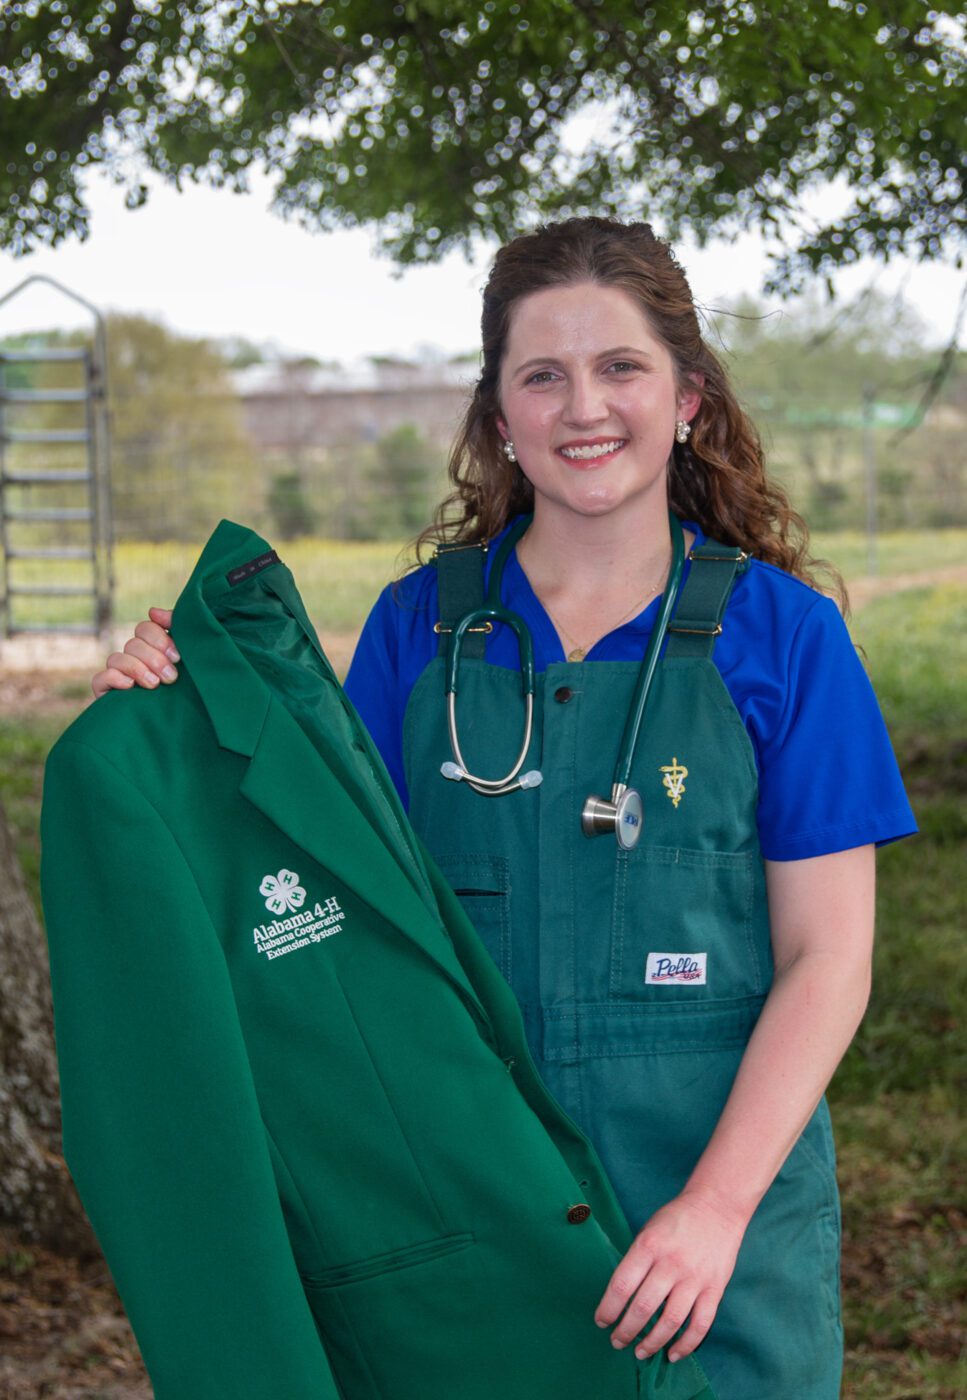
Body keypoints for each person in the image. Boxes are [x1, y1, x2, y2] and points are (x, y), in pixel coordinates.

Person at [92, 217, 916, 1398]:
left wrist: (714, 1209)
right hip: (470, 1218)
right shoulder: (413, 632)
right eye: (543, 375)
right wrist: (160, 713)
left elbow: (828, 957)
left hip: (721, 1228)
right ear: (498, 417)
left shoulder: (787, 639)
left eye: (620, 367)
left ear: (686, 395)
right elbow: (306, 890)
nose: (584, 406)